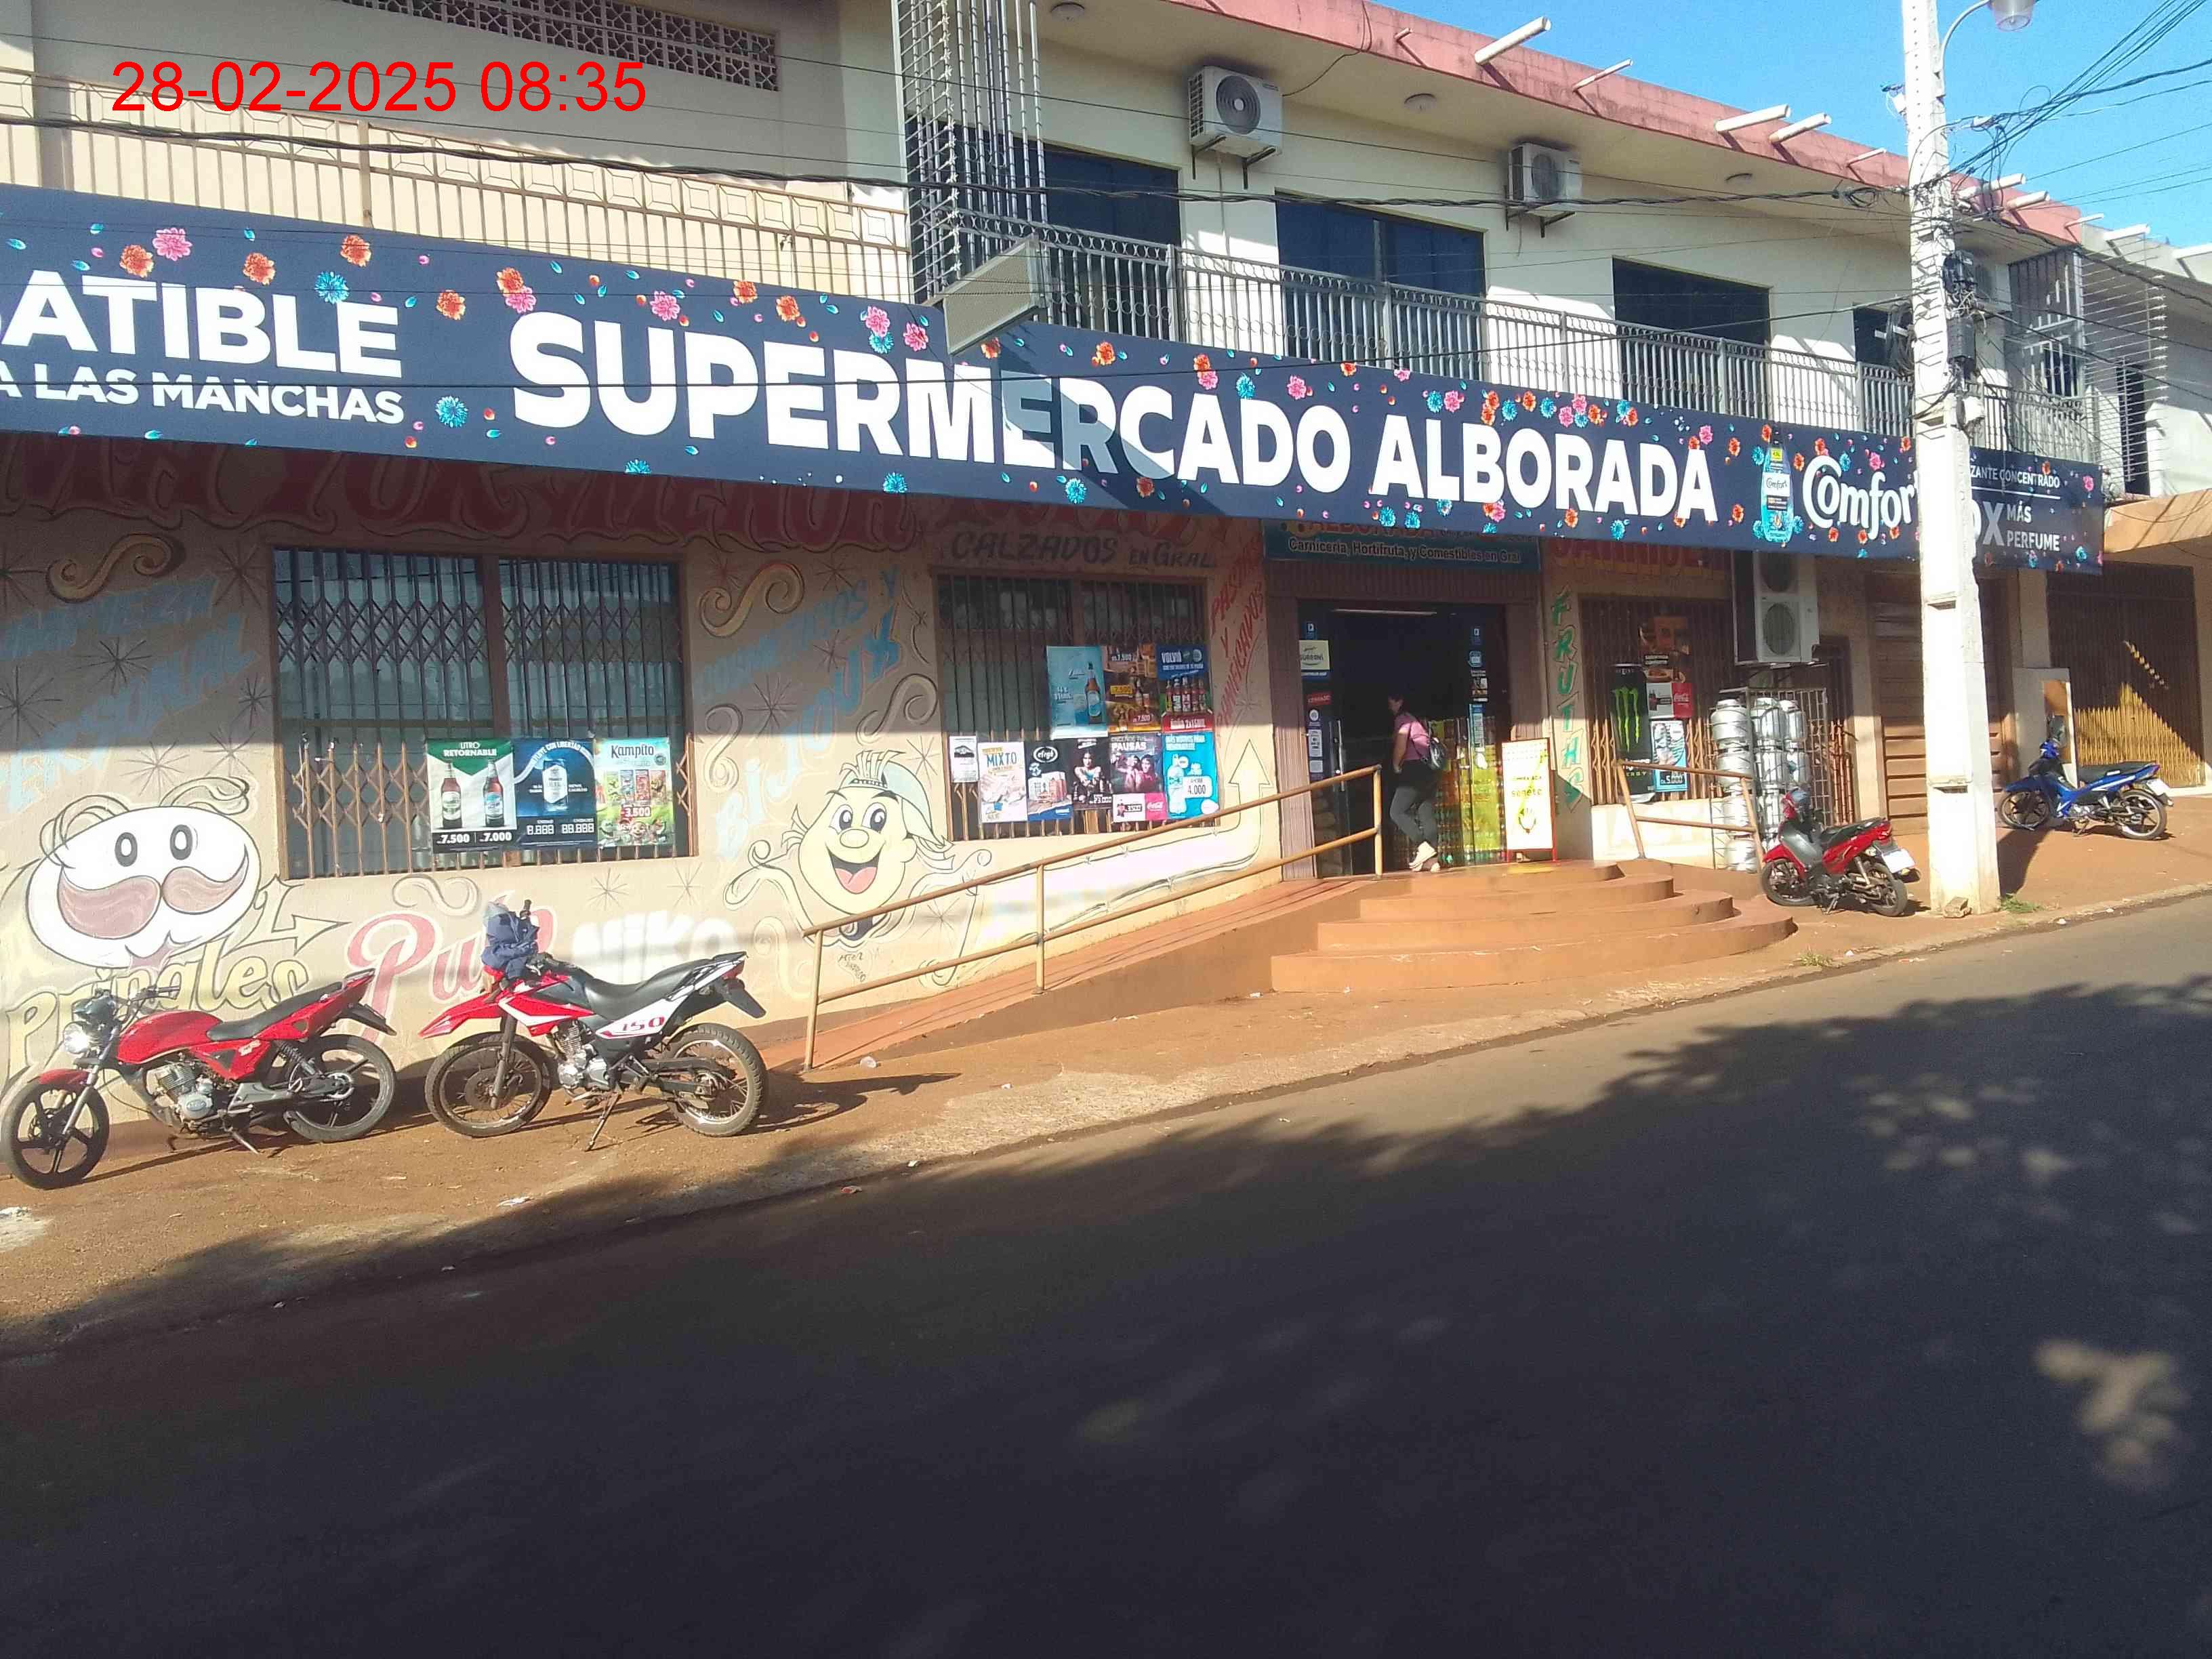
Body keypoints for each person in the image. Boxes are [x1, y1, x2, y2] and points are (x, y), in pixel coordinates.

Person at [1387, 691, 1441, 873]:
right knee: (1425, 812)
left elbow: (1401, 744)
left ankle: (1422, 846)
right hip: (1430, 771)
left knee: (1396, 811)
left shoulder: (1403, 719)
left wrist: (1396, 765)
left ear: (1399, 701)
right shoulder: (1420, 721)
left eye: (1391, 702)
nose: (1390, 707)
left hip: (1414, 770)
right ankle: (1433, 861)